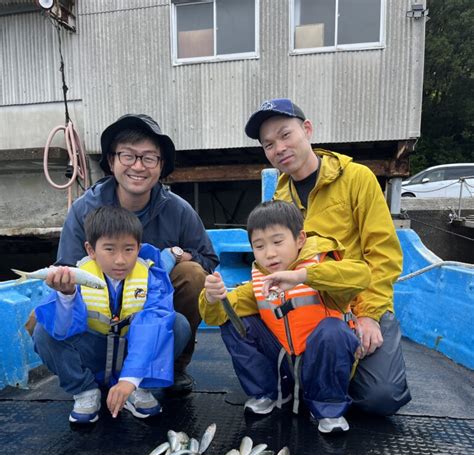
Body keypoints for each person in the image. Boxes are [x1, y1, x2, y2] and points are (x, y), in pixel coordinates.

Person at [244, 99, 411, 416]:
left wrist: (370, 315)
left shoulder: (357, 178)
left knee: (381, 398)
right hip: (303, 307)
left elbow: (383, 252)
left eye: (285, 135)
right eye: (269, 144)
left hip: (355, 303)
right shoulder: (280, 197)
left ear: (307, 130)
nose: (279, 148)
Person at [56, 114, 218, 393]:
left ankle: (173, 365)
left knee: (193, 275)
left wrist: (175, 256)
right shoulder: (84, 209)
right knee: (40, 319)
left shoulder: (178, 210)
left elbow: (209, 260)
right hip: (100, 311)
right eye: (128, 156)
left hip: (150, 306)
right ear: (111, 160)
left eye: (149, 158)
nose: (138, 166)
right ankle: (87, 378)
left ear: (161, 165)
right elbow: (67, 265)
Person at [199, 200, 371, 433]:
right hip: (285, 366)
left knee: (333, 330)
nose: (270, 253)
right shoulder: (259, 282)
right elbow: (216, 316)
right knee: (234, 322)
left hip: (320, 366)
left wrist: (302, 276)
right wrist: (212, 297)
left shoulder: (323, 269)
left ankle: (328, 408)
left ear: (300, 239)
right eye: (259, 246)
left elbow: (362, 275)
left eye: (278, 242)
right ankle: (269, 393)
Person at [33, 205, 191, 424]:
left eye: (129, 249)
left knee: (178, 324)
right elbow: (62, 330)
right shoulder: (74, 276)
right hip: (94, 355)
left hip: (132, 354)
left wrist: (130, 379)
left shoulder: (151, 276)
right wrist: (67, 296)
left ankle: (139, 388)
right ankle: (85, 391)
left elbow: (154, 323)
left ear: (139, 247)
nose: (120, 260)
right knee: (44, 328)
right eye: (109, 249)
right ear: (90, 250)